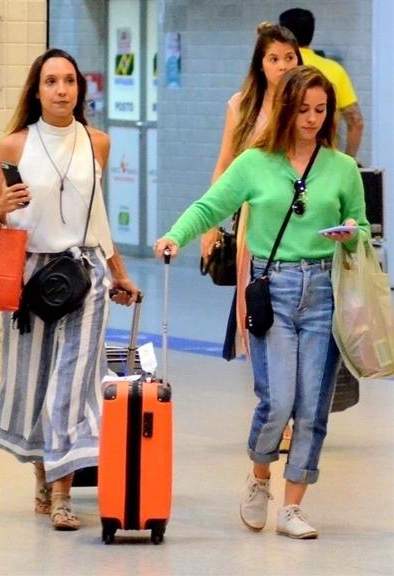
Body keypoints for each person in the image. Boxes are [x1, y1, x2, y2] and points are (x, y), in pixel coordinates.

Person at [155, 65, 370, 539]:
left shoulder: (342, 168)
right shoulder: (255, 162)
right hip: (273, 291)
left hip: (324, 291)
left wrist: (353, 234)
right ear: (286, 109)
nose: (312, 120)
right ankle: (258, 476)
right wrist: (176, 235)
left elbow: (362, 225)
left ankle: (293, 506)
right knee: (277, 401)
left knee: (313, 406)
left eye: (321, 111)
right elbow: (211, 206)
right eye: (303, 110)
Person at [0, 48, 139, 531]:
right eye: (51, 81)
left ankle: (61, 495)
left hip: (85, 274)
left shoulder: (97, 142)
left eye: (69, 81)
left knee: (72, 385)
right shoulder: (14, 145)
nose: (61, 90)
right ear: (37, 90)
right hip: (33, 277)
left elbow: (97, 215)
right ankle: (43, 473)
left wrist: (117, 270)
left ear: (80, 88)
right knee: (35, 383)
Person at [201, 23, 302, 361]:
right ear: (261, 64)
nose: (283, 66)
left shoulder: (309, 104)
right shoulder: (242, 105)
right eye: (274, 58)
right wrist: (209, 226)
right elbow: (224, 167)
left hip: (301, 215)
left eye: (289, 58)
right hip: (255, 219)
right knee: (258, 303)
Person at [279, 7, 364, 159]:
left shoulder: (279, 70)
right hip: (325, 159)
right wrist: (349, 161)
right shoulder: (335, 70)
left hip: (282, 157)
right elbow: (356, 122)